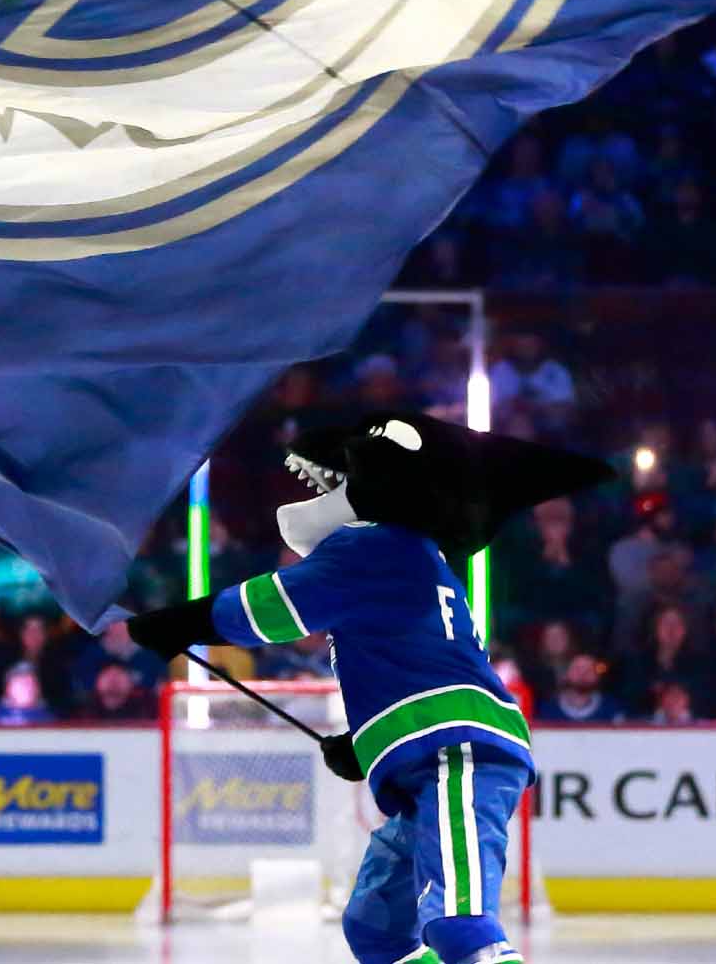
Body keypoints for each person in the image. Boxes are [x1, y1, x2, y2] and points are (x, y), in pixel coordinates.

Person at [125, 413, 604, 964]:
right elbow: (417, 661)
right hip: (429, 754)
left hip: (459, 752)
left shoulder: (374, 544)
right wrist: (368, 740)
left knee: (459, 925)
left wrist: (180, 622)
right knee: (373, 928)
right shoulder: (412, 558)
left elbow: (275, 607)